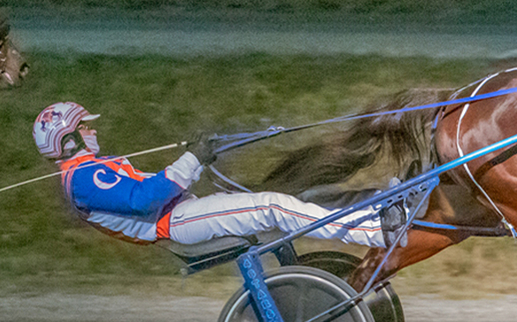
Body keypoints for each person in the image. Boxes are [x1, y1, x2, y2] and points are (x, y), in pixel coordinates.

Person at [33, 102, 404, 248]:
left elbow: (149, 188)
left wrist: (197, 158)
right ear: (67, 140)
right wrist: (192, 159)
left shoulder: (87, 171)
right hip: (175, 221)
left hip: (181, 211)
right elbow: (142, 199)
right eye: (84, 127)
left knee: (292, 199)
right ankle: (373, 231)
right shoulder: (83, 179)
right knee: (273, 206)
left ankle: (374, 210)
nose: (92, 130)